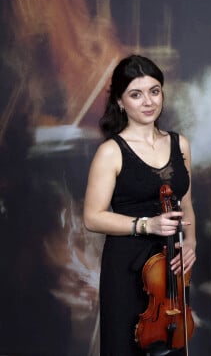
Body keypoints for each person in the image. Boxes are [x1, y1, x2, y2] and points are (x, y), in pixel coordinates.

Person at [83, 54, 197, 355]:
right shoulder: (111, 152)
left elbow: (186, 203)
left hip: (169, 274)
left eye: (154, 91)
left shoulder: (179, 144)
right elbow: (92, 217)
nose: (148, 101)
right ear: (120, 101)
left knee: (171, 345)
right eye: (136, 94)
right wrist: (146, 224)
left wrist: (191, 244)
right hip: (127, 268)